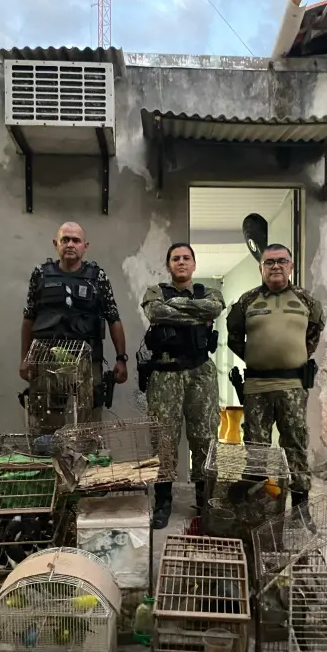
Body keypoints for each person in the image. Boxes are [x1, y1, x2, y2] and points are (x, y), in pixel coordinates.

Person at [226, 243, 325, 522]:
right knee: (256, 448)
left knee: (294, 443)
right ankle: (257, 508)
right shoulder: (247, 301)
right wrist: (258, 358)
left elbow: (315, 332)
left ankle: (301, 510)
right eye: (269, 262)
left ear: (291, 266)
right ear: (261, 268)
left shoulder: (306, 301)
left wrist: (294, 356)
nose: (276, 266)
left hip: (293, 386)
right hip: (257, 387)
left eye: (282, 261)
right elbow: (234, 336)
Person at [141, 243, 225, 529]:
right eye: (175, 258)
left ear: (194, 264)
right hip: (165, 373)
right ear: (168, 265)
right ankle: (163, 501)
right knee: (163, 438)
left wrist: (177, 307)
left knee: (204, 437)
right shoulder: (155, 292)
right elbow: (156, 313)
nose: (181, 262)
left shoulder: (209, 293)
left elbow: (214, 309)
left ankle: (204, 501)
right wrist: (195, 314)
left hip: (200, 373)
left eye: (186, 258)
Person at [20, 222, 128, 420]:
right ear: (56, 244)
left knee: (89, 423)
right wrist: (25, 357)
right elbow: (29, 316)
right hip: (47, 359)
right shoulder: (41, 275)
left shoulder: (98, 278)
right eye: (65, 240)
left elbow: (113, 318)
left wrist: (121, 359)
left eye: (76, 240)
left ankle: (87, 451)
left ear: (85, 246)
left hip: (87, 360)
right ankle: (47, 451)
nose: (70, 244)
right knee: (46, 421)